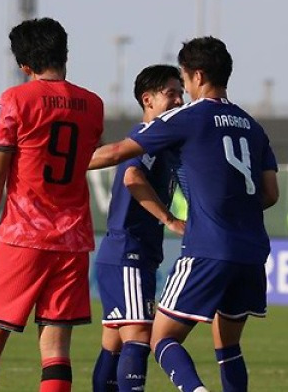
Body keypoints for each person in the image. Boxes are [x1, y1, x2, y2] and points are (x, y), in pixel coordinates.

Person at [88, 37, 279, 392]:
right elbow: (270, 194)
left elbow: (116, 153)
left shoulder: (187, 118)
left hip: (208, 247)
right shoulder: (253, 126)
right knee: (228, 345)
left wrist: (56, 163)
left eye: (184, 79)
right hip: (252, 251)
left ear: (198, 75)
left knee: (161, 338)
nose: (183, 89)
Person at [0, 17, 105, 392]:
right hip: (73, 239)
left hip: (22, 234)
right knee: (56, 349)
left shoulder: (15, 100)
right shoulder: (93, 104)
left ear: (23, 65)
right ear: (66, 54)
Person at [91, 65, 185, 392]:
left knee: (113, 341)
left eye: (181, 93)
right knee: (139, 336)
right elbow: (132, 177)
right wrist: (170, 220)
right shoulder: (147, 140)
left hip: (128, 253)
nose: (179, 100)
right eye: (171, 94)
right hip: (127, 251)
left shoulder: (161, 143)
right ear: (148, 100)